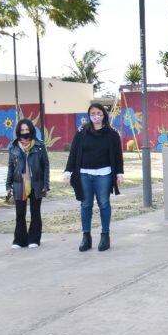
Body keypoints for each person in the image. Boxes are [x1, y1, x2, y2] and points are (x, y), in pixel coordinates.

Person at [64, 103, 124, 252]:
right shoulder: (81, 131)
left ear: (104, 114)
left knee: (104, 203)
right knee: (86, 205)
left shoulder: (112, 133)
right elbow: (73, 153)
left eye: (99, 113)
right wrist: (67, 172)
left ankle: (105, 235)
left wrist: (119, 173)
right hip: (84, 174)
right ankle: (86, 236)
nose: (96, 116)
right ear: (89, 115)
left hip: (104, 174)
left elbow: (118, 156)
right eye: (93, 113)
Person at [6, 119, 49, 249]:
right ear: (19, 131)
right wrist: (8, 185)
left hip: (36, 184)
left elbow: (46, 165)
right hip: (19, 184)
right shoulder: (13, 146)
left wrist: (46, 184)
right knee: (20, 213)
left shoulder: (39, 145)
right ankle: (19, 240)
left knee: (35, 212)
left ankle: (34, 239)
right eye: (22, 130)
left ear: (31, 130)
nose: (25, 132)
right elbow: (10, 167)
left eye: (27, 129)